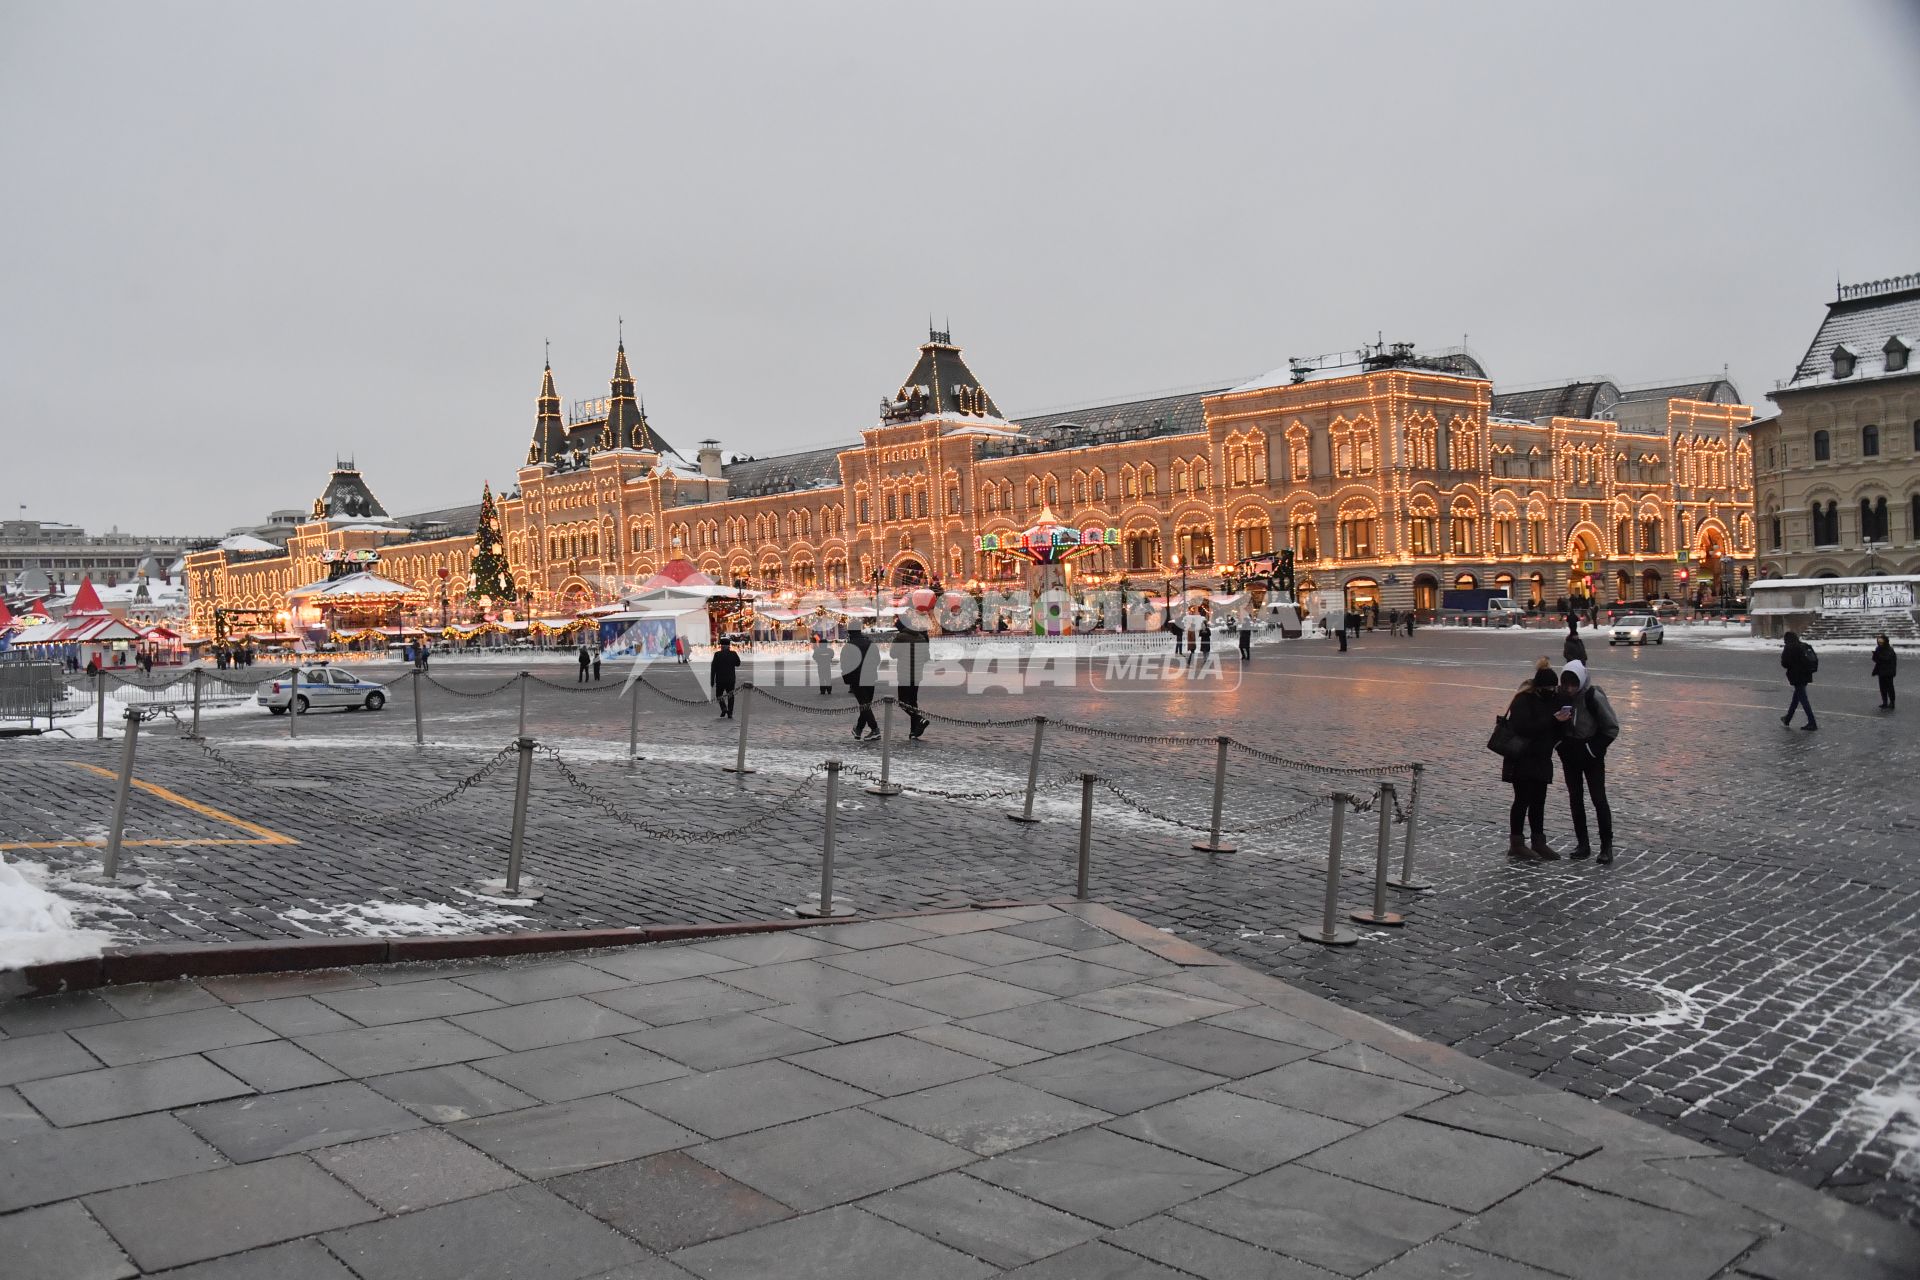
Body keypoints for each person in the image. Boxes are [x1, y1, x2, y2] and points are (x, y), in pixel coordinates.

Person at [1556, 660, 1619, 863]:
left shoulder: (1593, 696)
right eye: (1566, 684)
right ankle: (1582, 844)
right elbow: (1553, 725)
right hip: (1570, 755)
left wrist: (1591, 749)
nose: (1570, 689)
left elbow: (1611, 728)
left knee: (1598, 799)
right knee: (1576, 799)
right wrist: (1561, 745)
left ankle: (1606, 846)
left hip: (1591, 756)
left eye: (1573, 684)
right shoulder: (1561, 697)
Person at [1501, 664, 1564, 859]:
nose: (1553, 692)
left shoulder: (1553, 700)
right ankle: (1517, 843)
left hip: (1542, 758)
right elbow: (1523, 727)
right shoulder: (1523, 700)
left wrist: (1563, 721)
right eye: (1549, 688)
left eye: (1555, 688)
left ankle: (1539, 842)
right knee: (1522, 800)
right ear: (1539, 687)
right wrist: (1553, 720)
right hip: (1521, 759)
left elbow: (1554, 730)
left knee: (1539, 801)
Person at [891, 620, 930, 739]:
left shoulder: (901, 637)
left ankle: (920, 719)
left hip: (904, 674)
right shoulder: (921, 637)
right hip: (917, 675)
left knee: (903, 702)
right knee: (913, 702)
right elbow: (926, 657)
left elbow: (893, 654)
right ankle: (914, 731)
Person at [841, 625, 879, 740]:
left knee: (864, 704)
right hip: (870, 677)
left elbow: (844, 663)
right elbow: (877, 659)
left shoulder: (849, 646)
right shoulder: (870, 643)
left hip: (856, 678)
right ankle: (858, 729)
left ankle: (875, 729)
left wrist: (847, 678)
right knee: (866, 704)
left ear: (850, 632)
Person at [1780, 630, 1818, 730]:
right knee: (1796, 698)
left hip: (1797, 676)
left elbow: (1784, 663)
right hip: (1806, 675)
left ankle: (1812, 722)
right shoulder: (1804, 645)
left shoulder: (1789, 647)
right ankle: (1788, 718)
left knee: (1803, 700)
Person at [710, 637, 740, 718]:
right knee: (730, 696)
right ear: (729, 646)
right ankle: (730, 712)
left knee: (719, 695)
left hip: (720, 680)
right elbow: (738, 664)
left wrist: (712, 681)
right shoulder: (733, 654)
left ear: (721, 646)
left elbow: (713, 669)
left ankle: (723, 708)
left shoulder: (717, 654)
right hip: (730, 679)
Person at [1871, 634, 1897, 710]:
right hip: (1881, 671)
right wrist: (1875, 655)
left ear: (1885, 641)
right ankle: (1884, 702)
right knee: (1882, 688)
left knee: (1890, 688)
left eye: (1881, 642)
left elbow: (1886, 659)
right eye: (1879, 642)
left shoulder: (1889, 649)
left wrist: (1878, 655)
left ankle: (1892, 703)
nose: (1880, 644)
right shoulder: (1878, 648)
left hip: (1889, 671)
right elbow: (1876, 660)